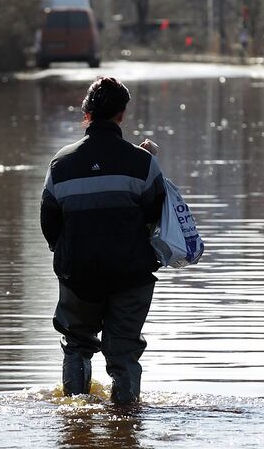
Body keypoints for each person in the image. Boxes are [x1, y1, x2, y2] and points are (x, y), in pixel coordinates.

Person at [40, 77, 165, 404]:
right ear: (121, 114)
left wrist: (69, 254)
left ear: (87, 112)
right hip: (131, 274)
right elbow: (156, 214)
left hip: (78, 273)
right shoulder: (143, 164)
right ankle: (126, 423)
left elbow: (49, 222)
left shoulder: (60, 164)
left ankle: (75, 417)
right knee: (123, 352)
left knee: (77, 345)